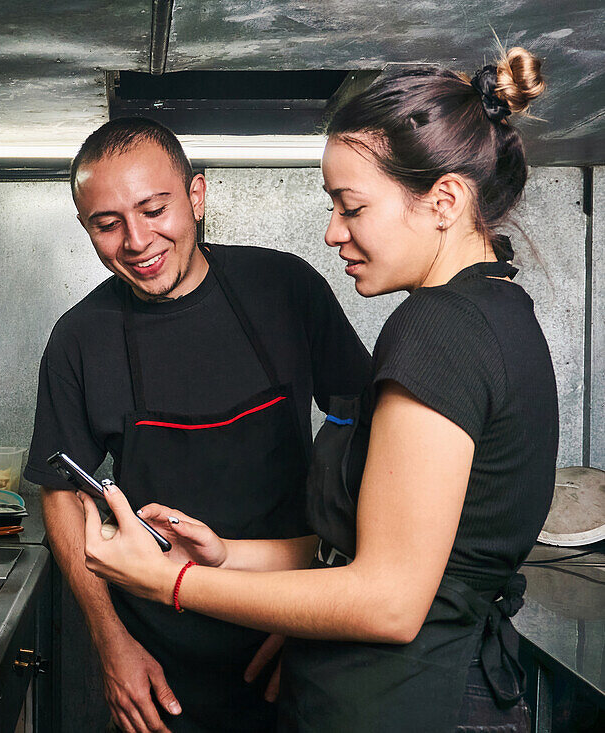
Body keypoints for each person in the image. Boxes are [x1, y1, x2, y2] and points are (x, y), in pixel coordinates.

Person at [79, 47, 556, 733]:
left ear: (445, 200)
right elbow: (380, 549)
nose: (333, 231)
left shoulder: (438, 329)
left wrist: (171, 583)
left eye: (351, 206)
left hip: (410, 699)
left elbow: (388, 599)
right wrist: (227, 555)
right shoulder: (496, 310)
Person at [23, 117, 371, 733]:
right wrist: (111, 646)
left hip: (293, 636)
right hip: (161, 663)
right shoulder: (79, 339)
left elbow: (366, 443)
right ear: (86, 229)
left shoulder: (284, 288)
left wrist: (323, 614)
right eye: (108, 225)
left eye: (155, 208)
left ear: (197, 195)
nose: (137, 241)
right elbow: (62, 496)